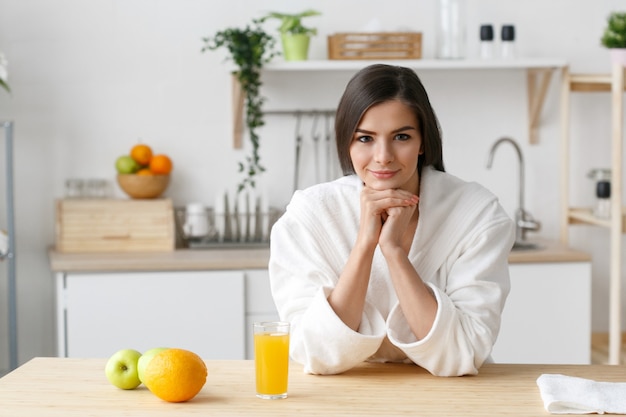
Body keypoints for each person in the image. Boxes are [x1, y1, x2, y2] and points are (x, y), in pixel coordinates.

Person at [268, 64, 515, 377]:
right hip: (343, 394)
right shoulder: (310, 216)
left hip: (452, 397)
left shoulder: (476, 214)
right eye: (365, 138)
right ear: (347, 142)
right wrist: (364, 244)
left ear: (423, 142)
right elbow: (315, 353)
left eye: (401, 136)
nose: (383, 156)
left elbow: (460, 353)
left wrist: (394, 251)